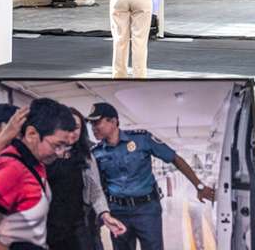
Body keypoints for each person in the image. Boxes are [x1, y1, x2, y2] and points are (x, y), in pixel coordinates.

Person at [87, 102, 216, 250]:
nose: (93, 127)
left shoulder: (142, 140)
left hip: (146, 210)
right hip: (117, 212)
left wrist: (199, 186)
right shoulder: (96, 153)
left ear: (113, 121)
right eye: (91, 123)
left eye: (96, 122)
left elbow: (175, 159)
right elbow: (96, 186)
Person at [0, 98, 76, 250]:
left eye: (65, 147)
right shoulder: (10, 170)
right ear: (32, 133)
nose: (60, 154)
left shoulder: (37, 162)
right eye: (56, 145)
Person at [45, 107, 127, 250]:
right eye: (66, 126)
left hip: (78, 226)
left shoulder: (86, 156)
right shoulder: (45, 154)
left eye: (76, 127)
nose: (71, 131)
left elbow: (95, 190)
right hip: (48, 226)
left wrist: (105, 215)